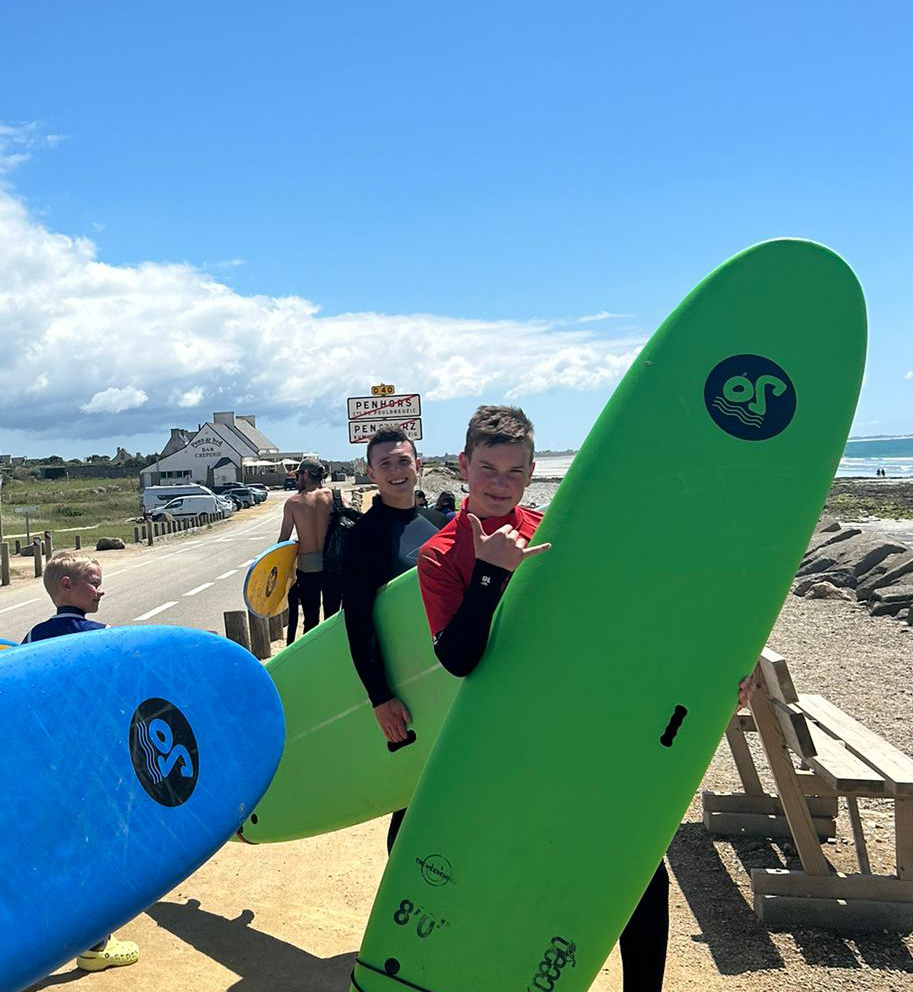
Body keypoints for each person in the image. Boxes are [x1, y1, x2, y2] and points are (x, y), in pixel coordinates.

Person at [416, 405, 748, 992]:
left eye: (514, 471)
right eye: (487, 468)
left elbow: (626, 625)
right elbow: (460, 660)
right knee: (526, 879)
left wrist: (710, 679)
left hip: (589, 732)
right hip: (507, 749)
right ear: (463, 466)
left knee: (637, 871)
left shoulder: (554, 532)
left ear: (532, 471)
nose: (499, 483)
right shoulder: (440, 554)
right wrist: (491, 574)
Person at [21, 552, 141, 972]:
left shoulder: (33, 637)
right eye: (93, 582)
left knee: (62, 845)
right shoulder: (102, 636)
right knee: (100, 848)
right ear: (66, 587)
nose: (101, 589)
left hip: (52, 763)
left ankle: (56, 931)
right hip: (95, 764)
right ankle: (96, 945)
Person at [341, 426, 442, 851]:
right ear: (371, 472)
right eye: (386, 464)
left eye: (403, 461)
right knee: (410, 797)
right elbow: (359, 623)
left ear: (418, 464)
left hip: (451, 674)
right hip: (408, 685)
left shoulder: (442, 523)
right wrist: (380, 697)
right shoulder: (363, 538)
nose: (397, 471)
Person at [278, 455, 339, 643]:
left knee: (311, 621)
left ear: (305, 474)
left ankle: (313, 659)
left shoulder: (293, 503)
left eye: (297, 476)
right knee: (333, 618)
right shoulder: (334, 497)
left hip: (307, 570)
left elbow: (283, 540)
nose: (295, 480)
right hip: (333, 567)